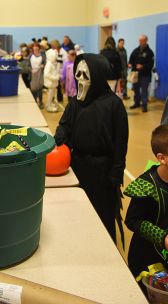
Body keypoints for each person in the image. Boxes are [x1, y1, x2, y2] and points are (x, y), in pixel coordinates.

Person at [54, 54, 128, 243]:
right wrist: (62, 133)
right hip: (77, 165)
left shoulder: (113, 105)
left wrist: (116, 172)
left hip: (102, 171)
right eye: (77, 74)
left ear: (96, 76)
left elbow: (121, 143)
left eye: (85, 75)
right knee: (78, 213)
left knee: (102, 216)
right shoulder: (75, 103)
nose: (79, 79)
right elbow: (65, 124)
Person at [124, 125, 168, 289]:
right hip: (147, 259)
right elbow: (132, 220)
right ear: (162, 158)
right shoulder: (146, 185)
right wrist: (162, 238)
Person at [128, 34, 154, 112]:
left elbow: (150, 64)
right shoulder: (135, 50)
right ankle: (136, 103)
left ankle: (144, 105)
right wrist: (130, 64)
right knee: (135, 89)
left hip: (145, 75)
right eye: (139, 40)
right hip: (135, 74)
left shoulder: (150, 52)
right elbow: (131, 59)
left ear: (146, 41)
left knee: (144, 90)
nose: (140, 42)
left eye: (142, 40)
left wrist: (143, 66)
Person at [50, 39, 67, 103]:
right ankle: (54, 98)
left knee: (60, 87)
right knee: (55, 86)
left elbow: (65, 63)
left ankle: (60, 100)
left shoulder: (63, 52)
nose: (52, 47)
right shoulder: (55, 51)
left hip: (61, 71)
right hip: (56, 71)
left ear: (56, 45)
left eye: (52, 46)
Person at [29, 43, 45, 109]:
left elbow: (44, 63)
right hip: (32, 74)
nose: (35, 48)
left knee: (40, 88)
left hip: (40, 73)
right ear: (32, 48)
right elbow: (28, 65)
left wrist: (43, 66)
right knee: (33, 89)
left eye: (36, 46)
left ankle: (40, 102)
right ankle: (34, 101)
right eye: (34, 46)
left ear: (39, 48)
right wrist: (30, 70)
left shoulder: (42, 56)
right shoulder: (30, 56)